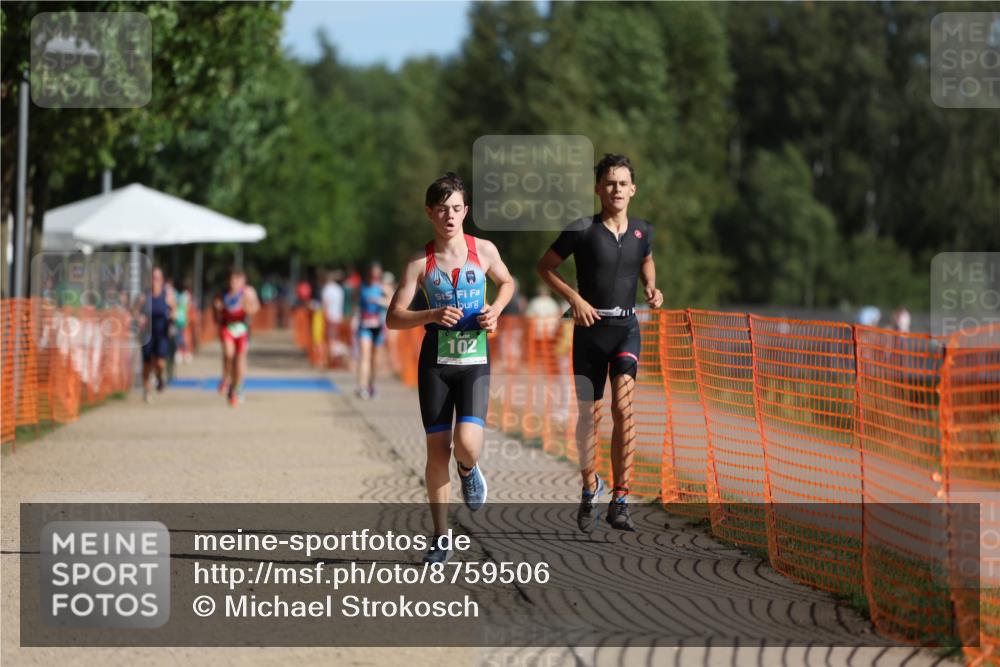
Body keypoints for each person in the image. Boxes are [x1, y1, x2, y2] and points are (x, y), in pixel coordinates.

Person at [386, 172, 515, 564]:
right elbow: (394, 317)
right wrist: (431, 313)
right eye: (442, 210)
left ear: (466, 211)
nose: (450, 217)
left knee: (468, 445)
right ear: (430, 212)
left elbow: (507, 283)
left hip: (474, 360)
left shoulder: (485, 251)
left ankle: (468, 469)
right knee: (435, 449)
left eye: (456, 209)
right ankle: (441, 538)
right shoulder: (419, 262)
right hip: (436, 364)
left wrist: (495, 310)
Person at [537, 153, 663, 533]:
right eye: (610, 183)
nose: (617, 189)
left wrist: (651, 287)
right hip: (589, 332)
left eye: (623, 183)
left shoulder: (643, 231)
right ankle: (591, 486)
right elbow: (545, 266)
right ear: (598, 189)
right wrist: (574, 299)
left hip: (626, 329)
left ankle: (621, 498)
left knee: (624, 409)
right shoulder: (582, 230)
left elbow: (647, 260)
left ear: (633, 189)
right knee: (588, 419)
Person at [213, 268, 260, 407]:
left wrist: (248, 307)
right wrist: (218, 309)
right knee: (228, 354)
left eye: (237, 280)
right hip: (227, 327)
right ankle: (226, 378)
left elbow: (256, 308)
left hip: (242, 329)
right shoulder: (223, 293)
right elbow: (216, 308)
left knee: (240, 360)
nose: (234, 283)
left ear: (243, 281)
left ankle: (236, 389)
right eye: (232, 280)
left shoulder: (248, 292)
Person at [140, 267, 176, 403]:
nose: (155, 281)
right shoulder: (144, 296)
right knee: (147, 364)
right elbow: (135, 311)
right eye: (152, 278)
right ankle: (147, 390)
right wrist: (139, 318)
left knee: (160, 363)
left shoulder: (167, 295)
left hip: (162, 333)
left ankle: (160, 378)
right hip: (147, 334)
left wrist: (172, 318)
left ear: (162, 280)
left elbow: (175, 312)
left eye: (157, 278)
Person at [356, 262, 391, 399]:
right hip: (364, 326)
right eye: (372, 275)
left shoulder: (383, 287)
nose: (374, 278)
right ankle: (362, 387)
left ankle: (372, 385)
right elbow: (357, 304)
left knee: (375, 360)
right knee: (364, 356)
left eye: (377, 276)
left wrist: (380, 300)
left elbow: (392, 303)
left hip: (378, 327)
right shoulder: (363, 287)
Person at [321, 270, 347, 366]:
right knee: (336, 338)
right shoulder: (339, 289)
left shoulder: (327, 289)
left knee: (330, 338)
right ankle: (336, 358)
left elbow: (326, 304)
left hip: (330, 317)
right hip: (338, 317)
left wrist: (324, 315)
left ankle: (332, 359)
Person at [173, 278, 193, 365]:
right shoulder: (175, 294)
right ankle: (179, 352)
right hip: (176, 319)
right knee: (177, 337)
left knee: (185, 337)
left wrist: (189, 317)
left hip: (184, 319)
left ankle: (186, 353)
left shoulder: (186, 295)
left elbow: (189, 307)